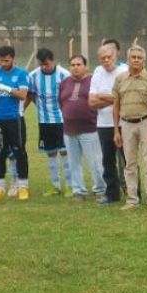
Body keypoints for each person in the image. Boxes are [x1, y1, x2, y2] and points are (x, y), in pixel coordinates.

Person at [112, 44, 147, 211]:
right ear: (128, 59)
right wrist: (116, 129)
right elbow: (116, 104)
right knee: (129, 163)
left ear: (144, 60)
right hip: (125, 123)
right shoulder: (120, 79)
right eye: (134, 57)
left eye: (140, 57)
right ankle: (132, 200)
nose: (137, 60)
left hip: (146, 121)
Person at [58, 55, 106, 202]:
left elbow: (100, 101)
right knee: (73, 163)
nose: (75, 67)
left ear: (85, 66)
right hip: (69, 130)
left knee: (96, 163)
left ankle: (100, 189)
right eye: (72, 65)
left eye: (79, 64)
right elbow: (61, 102)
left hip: (90, 129)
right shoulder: (64, 83)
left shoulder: (93, 81)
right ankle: (78, 191)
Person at [0, 46, 30, 200]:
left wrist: (4, 87)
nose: (3, 64)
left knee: (19, 153)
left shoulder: (21, 73)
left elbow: (22, 95)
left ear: (12, 58)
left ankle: (23, 187)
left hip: (15, 119)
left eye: (6, 60)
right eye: (0, 61)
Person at [27, 48, 72, 196]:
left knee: (65, 152)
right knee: (51, 153)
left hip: (62, 120)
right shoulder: (33, 76)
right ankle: (56, 186)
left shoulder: (64, 75)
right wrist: (41, 108)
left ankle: (70, 186)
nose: (44, 67)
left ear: (52, 60)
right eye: (41, 64)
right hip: (44, 121)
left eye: (46, 64)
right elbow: (32, 95)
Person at [89, 44, 128, 204]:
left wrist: (102, 96)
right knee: (108, 160)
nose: (106, 61)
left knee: (127, 160)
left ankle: (134, 193)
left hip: (123, 123)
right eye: (102, 58)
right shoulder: (97, 74)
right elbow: (91, 102)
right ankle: (112, 194)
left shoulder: (123, 73)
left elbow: (125, 98)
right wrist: (112, 97)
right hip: (103, 124)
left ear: (115, 57)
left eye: (108, 57)